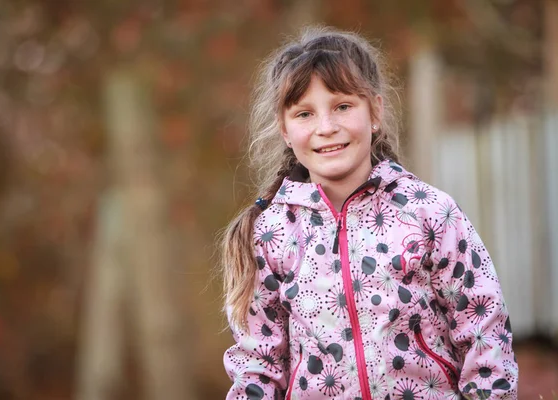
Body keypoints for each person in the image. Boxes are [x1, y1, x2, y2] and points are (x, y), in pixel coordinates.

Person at [220, 26, 518, 400]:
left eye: (343, 106)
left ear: (375, 111)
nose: (326, 128)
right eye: (305, 114)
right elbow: (258, 368)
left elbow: (482, 329)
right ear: (284, 129)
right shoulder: (269, 233)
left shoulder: (429, 213)